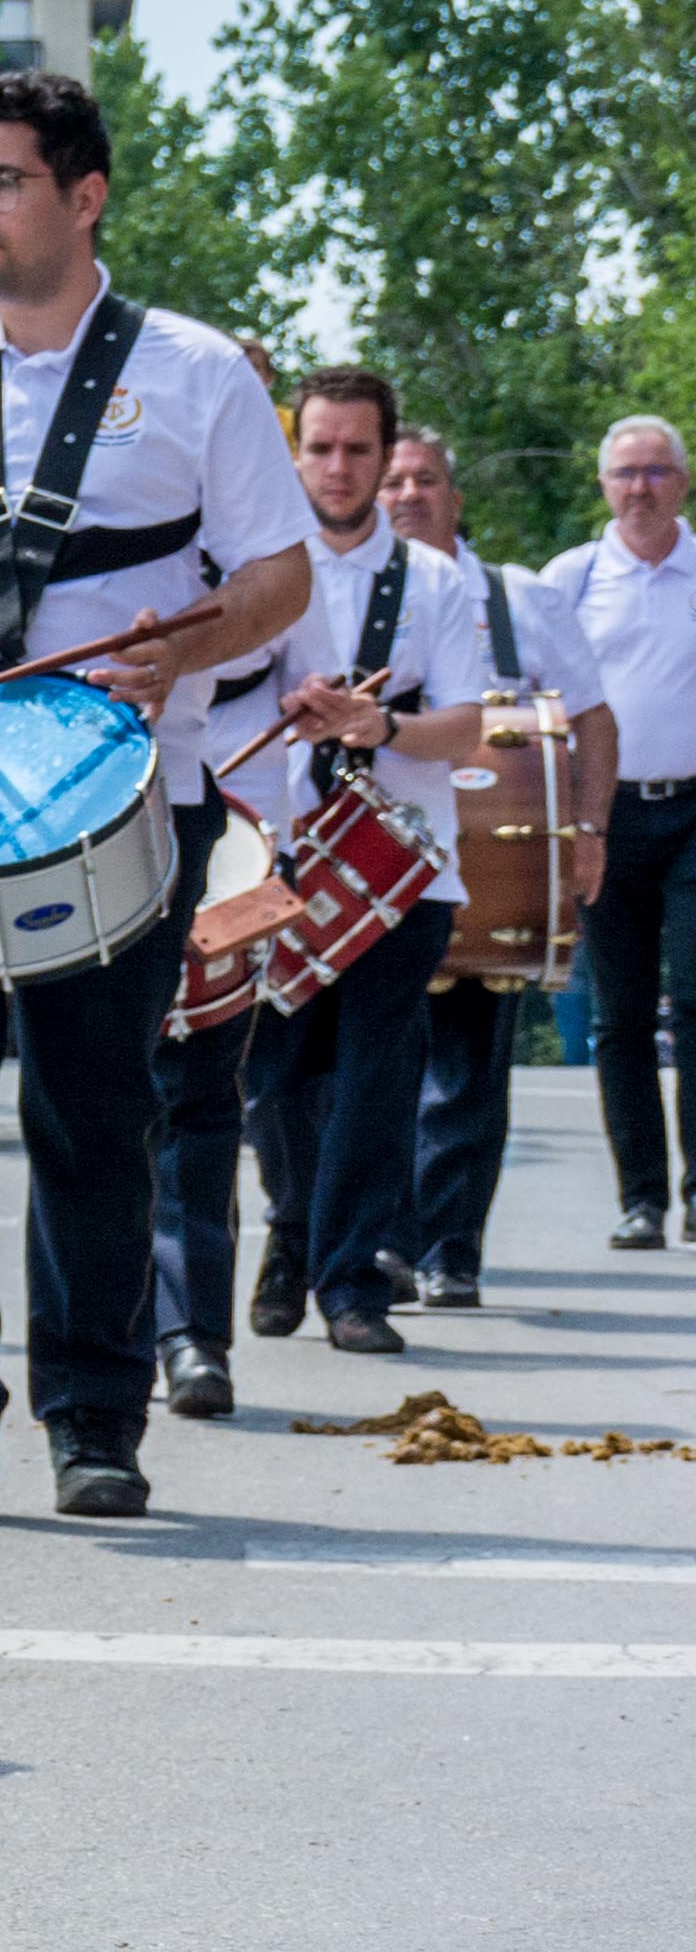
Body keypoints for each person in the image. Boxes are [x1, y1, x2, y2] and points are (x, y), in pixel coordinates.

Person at [0, 69, 312, 1528]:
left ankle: (97, 1418)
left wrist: (187, 648)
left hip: (122, 787)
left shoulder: (202, 371)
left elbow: (279, 575)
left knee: (96, 1112)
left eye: (2, 180)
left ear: (85, 197)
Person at [224, 368, 487, 1356]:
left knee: (379, 1074)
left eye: (358, 451)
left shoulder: (435, 580)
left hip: (398, 869)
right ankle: (293, 1233)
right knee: (275, 1071)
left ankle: (352, 1280)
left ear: (385, 459)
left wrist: (380, 722)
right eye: (321, 448)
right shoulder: (260, 568)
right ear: (295, 452)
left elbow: (468, 727)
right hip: (278, 857)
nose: (338, 468)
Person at [382, 430, 603, 1307]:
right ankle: (377, 1243)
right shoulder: (343, 585)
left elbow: (590, 713)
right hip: (378, 866)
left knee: (471, 1068)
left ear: (456, 496)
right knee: (375, 1064)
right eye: (394, 480)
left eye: (426, 479)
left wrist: (586, 829)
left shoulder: (521, 597)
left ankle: (450, 1250)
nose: (408, 494)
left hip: (494, 879)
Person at [541, 415, 696, 1253]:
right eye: (625, 472)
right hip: (606, 815)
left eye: (657, 471)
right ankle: (643, 1198)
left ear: (682, 481)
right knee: (621, 1013)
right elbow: (524, 697)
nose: (641, 487)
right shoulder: (569, 579)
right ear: (603, 484)